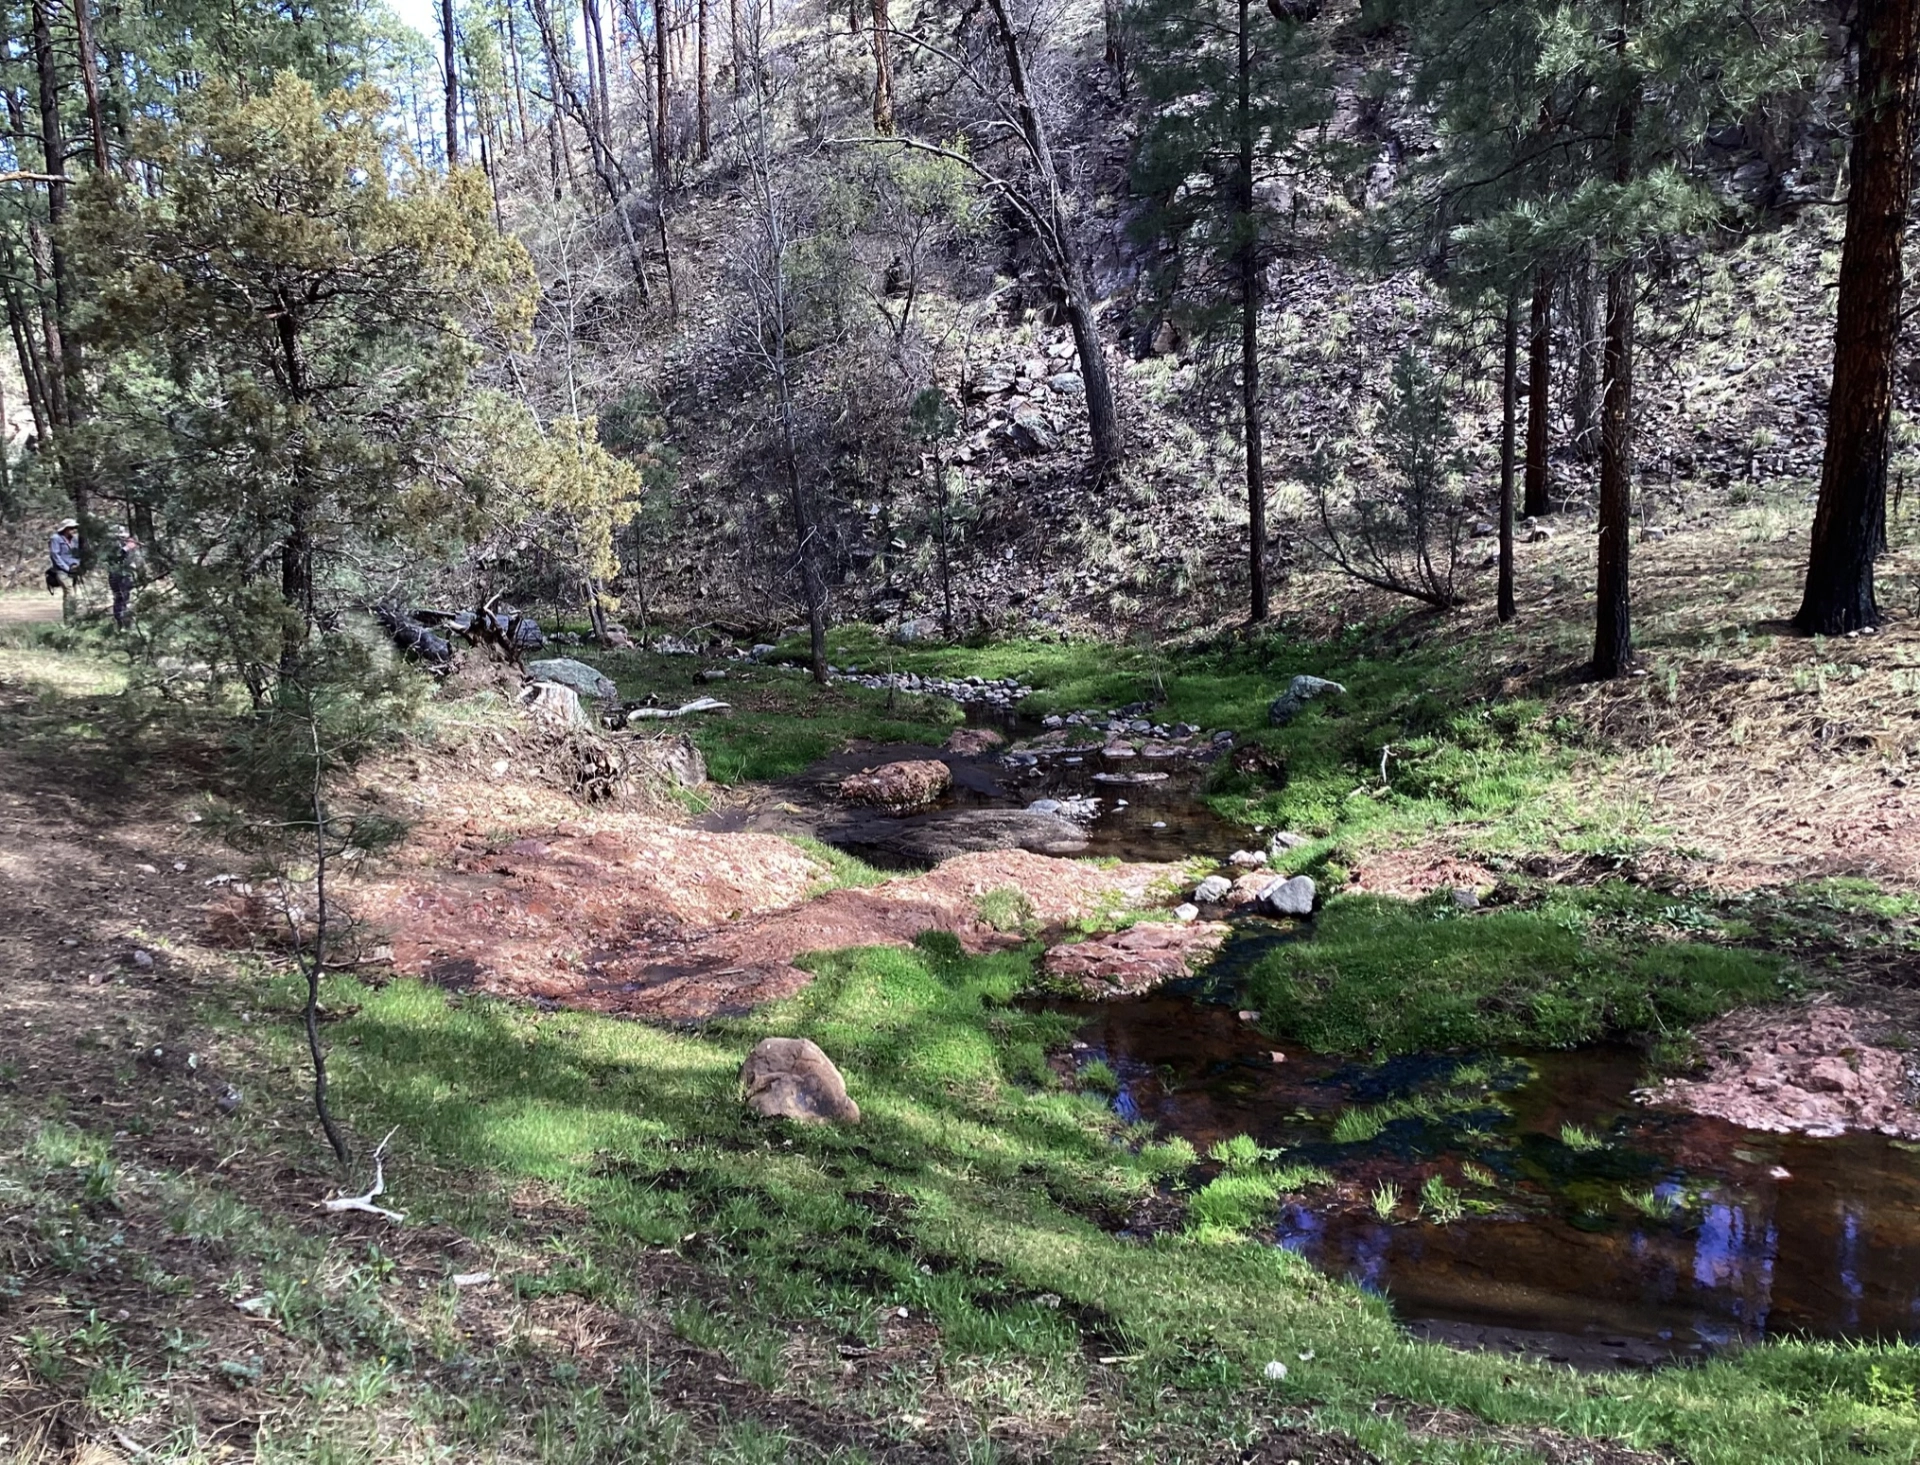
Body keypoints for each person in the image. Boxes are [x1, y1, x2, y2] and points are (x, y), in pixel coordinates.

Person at [45, 519, 80, 623]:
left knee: (73, 595)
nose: (73, 530)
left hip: (74, 570)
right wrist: (66, 568)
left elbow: (77, 553)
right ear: (65, 529)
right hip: (62, 571)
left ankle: (73, 619)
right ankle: (68, 620)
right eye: (71, 528)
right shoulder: (56, 538)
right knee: (70, 593)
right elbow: (55, 555)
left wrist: (77, 565)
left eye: (75, 528)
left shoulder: (74, 539)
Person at [108, 527, 142, 631]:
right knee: (119, 597)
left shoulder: (131, 546)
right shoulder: (112, 546)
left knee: (127, 598)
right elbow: (115, 557)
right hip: (116, 575)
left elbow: (136, 560)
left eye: (124, 537)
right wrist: (125, 549)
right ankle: (119, 623)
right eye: (121, 537)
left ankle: (128, 623)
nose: (123, 539)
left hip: (127, 575)